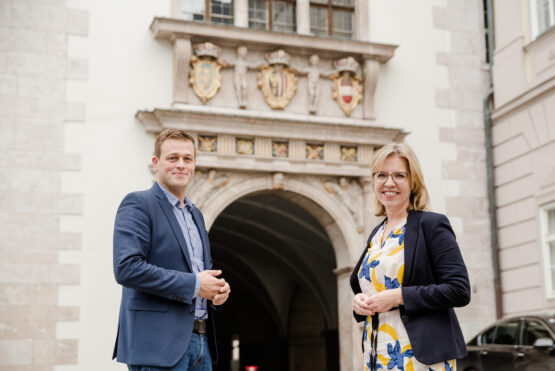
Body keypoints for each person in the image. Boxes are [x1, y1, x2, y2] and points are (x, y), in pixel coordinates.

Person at [112, 128, 231, 370]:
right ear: (156, 163)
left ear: (194, 164)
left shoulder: (195, 214)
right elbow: (127, 268)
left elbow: (198, 274)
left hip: (201, 343)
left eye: (187, 159)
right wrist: (196, 285)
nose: (181, 165)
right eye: (172, 158)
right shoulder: (138, 203)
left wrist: (217, 292)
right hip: (157, 346)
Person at [350, 143, 470, 371]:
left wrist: (399, 296)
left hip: (420, 358)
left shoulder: (432, 225)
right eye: (381, 175)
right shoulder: (377, 234)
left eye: (399, 175)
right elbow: (371, 289)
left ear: (412, 181)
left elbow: (459, 290)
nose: (389, 183)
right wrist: (360, 304)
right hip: (377, 355)